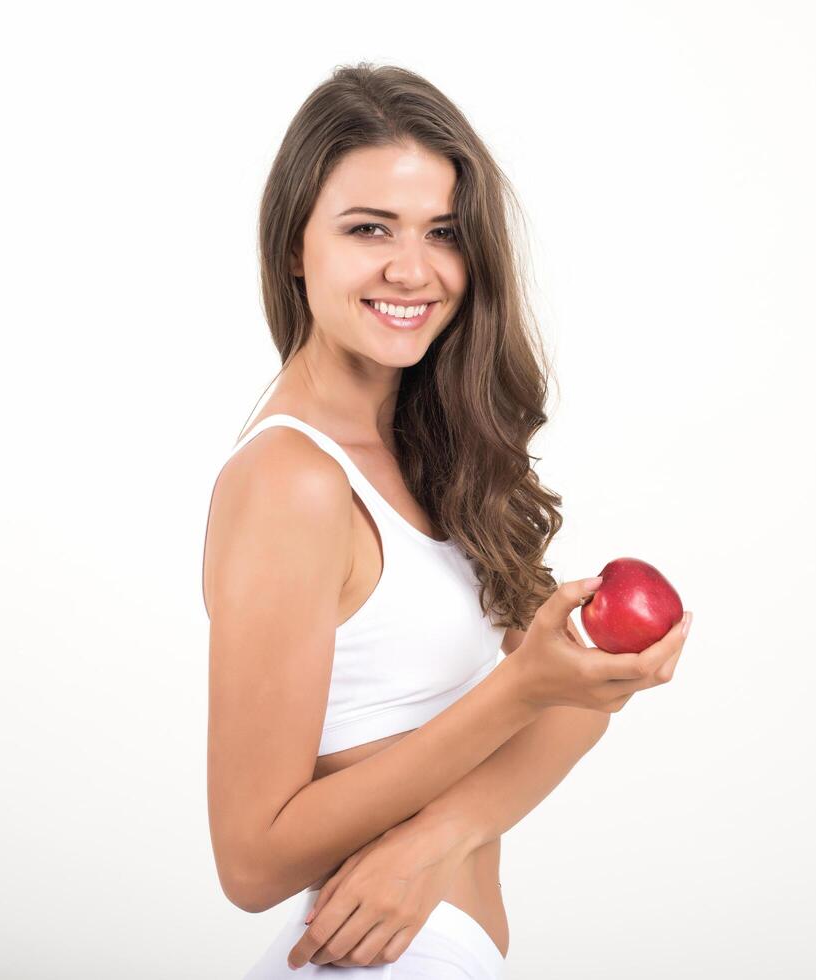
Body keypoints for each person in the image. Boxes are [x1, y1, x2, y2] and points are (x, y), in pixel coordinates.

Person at [200, 63, 691, 978]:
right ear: (293, 249)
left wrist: (434, 839)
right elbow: (252, 860)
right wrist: (523, 690)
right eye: (367, 229)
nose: (411, 267)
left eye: (443, 233)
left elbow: (562, 707)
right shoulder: (293, 482)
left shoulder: (429, 457)